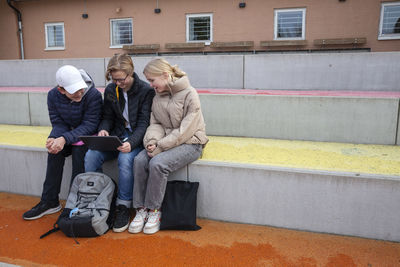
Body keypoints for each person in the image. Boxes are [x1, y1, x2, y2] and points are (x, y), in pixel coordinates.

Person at [129, 58, 208, 235]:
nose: (150, 85)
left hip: (191, 142)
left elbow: (185, 130)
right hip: (163, 142)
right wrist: (151, 142)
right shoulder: (158, 95)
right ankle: (141, 209)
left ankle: (154, 210)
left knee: (158, 164)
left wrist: (160, 147)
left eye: (152, 80)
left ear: (165, 75)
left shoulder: (190, 93)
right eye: (148, 81)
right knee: (139, 161)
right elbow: (155, 123)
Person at [84, 54, 154, 233]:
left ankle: (123, 205)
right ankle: (96, 200)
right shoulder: (110, 89)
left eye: (121, 79)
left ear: (131, 73)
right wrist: (103, 130)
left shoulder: (146, 91)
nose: (118, 83)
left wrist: (131, 143)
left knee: (125, 159)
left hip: (136, 137)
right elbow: (107, 117)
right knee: (91, 155)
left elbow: (145, 122)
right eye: (114, 79)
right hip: (116, 135)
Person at [23, 65, 103, 220]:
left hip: (87, 136)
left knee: (79, 153)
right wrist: (54, 139)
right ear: (61, 90)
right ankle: (49, 201)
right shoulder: (53, 95)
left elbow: (90, 124)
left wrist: (65, 138)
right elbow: (58, 122)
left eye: (81, 88)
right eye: (74, 91)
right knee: (54, 151)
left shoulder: (93, 95)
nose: (80, 93)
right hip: (67, 134)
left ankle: (74, 203)